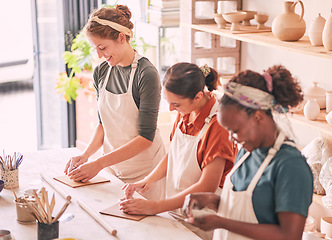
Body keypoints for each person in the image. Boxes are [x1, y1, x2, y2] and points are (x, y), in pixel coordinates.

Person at [183, 65, 314, 240]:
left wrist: (221, 222)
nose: (231, 138)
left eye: (234, 130)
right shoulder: (246, 152)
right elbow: (253, 210)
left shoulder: (291, 166)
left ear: (258, 117)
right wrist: (211, 201)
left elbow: (289, 235)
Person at [120, 63, 237, 238]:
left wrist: (156, 206)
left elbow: (207, 186)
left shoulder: (219, 126)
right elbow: (174, 155)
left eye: (175, 104)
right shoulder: (186, 111)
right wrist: (148, 180)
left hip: (202, 222)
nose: (171, 109)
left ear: (198, 96)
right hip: (177, 214)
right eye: (168, 102)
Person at [64, 5, 166, 200]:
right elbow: (104, 125)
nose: (100, 55)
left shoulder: (146, 74)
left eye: (103, 48)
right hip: (113, 172)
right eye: (96, 49)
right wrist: (86, 156)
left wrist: (98, 163)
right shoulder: (101, 72)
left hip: (145, 176)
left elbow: (146, 138)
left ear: (121, 37)